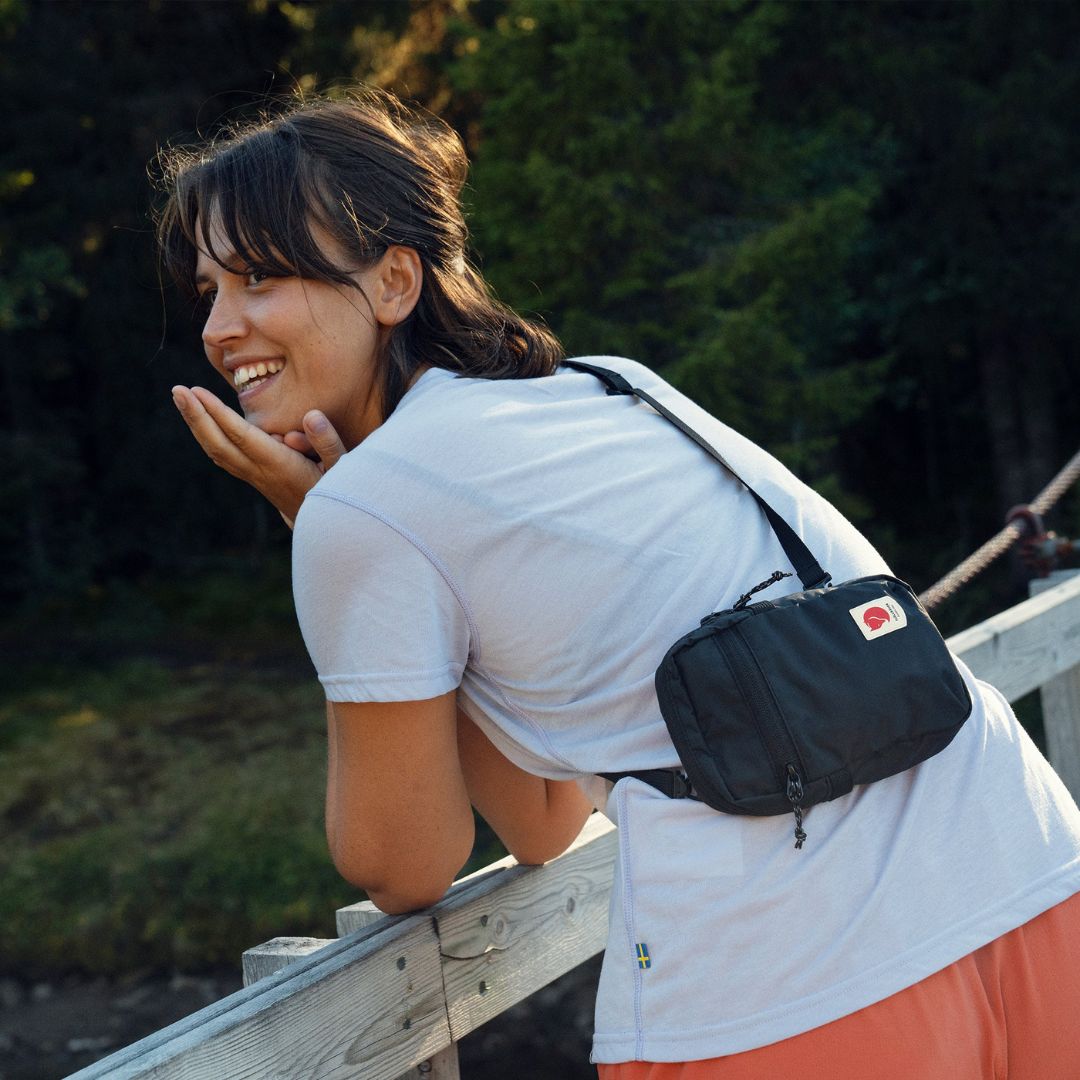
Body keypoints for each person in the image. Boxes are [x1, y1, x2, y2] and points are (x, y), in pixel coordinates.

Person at [160, 89, 1080, 1078]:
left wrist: (320, 520)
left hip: (797, 986)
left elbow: (402, 863)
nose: (220, 326)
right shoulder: (614, 387)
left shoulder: (365, 511)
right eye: (208, 288)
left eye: (259, 275)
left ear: (393, 282)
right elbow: (546, 820)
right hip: (1031, 876)